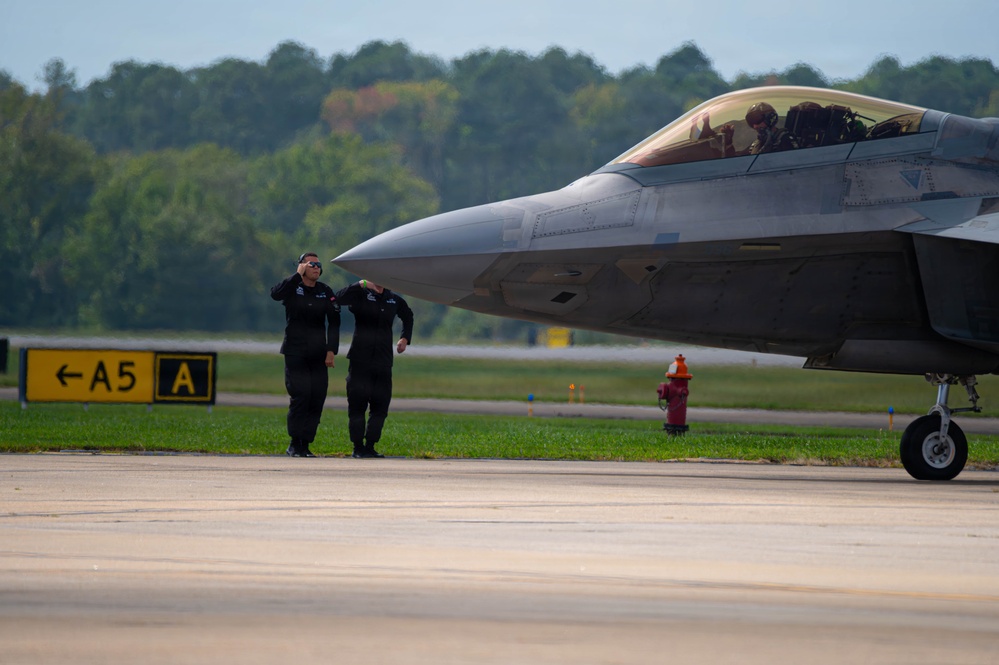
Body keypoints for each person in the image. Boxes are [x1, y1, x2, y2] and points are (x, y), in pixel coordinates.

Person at [270, 252, 340, 457]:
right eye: (311, 264)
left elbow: (334, 322)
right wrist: (296, 275)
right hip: (295, 351)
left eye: (318, 264)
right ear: (301, 266)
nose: (316, 267)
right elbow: (276, 294)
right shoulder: (293, 287)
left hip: (318, 353)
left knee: (317, 397)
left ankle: (306, 444)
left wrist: (331, 350)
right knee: (301, 396)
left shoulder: (325, 291)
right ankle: (294, 443)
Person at [335, 278, 414, 458]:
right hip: (360, 359)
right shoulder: (361, 295)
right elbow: (338, 299)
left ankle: (370, 445)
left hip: (383, 361)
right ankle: (357, 447)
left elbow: (408, 315)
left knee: (380, 405)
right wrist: (360, 284)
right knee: (357, 405)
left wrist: (405, 338)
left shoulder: (393, 298)